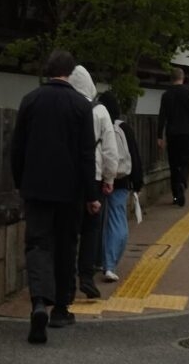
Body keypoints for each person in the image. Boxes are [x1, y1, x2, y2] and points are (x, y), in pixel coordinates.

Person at [10, 49, 101, 345]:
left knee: (37, 244)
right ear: (71, 73)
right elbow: (88, 155)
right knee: (66, 244)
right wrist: (92, 194)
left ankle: (38, 302)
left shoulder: (30, 101)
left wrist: (20, 181)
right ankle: (61, 308)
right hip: (70, 190)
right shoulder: (80, 105)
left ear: (48, 71)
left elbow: (17, 148)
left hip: (36, 187)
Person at [68, 64, 119, 300]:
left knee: (67, 231)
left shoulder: (65, 107)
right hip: (95, 177)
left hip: (66, 178)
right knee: (91, 230)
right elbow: (110, 149)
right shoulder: (100, 111)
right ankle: (86, 277)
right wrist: (109, 178)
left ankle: (65, 280)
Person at [97, 90, 144, 282]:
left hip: (98, 181)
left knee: (98, 223)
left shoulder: (98, 126)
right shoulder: (124, 127)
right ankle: (109, 264)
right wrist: (138, 182)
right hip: (121, 180)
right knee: (118, 222)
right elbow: (134, 155)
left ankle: (98, 261)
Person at [157, 66, 189, 206]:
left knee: (173, 163)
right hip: (186, 133)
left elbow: (162, 117)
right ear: (183, 78)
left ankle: (176, 194)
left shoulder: (166, 95)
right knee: (185, 161)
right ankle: (183, 181)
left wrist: (159, 136)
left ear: (171, 79)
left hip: (172, 134)